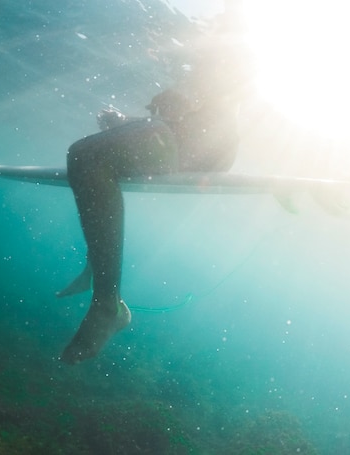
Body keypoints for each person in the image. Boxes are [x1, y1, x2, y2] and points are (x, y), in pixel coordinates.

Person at [58, 13, 252, 364]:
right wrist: (128, 123)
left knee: (87, 155)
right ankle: (97, 266)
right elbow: (184, 109)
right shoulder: (211, 42)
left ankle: (106, 304)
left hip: (203, 148)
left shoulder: (231, 41)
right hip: (184, 137)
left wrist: (136, 121)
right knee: (89, 155)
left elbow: (200, 105)